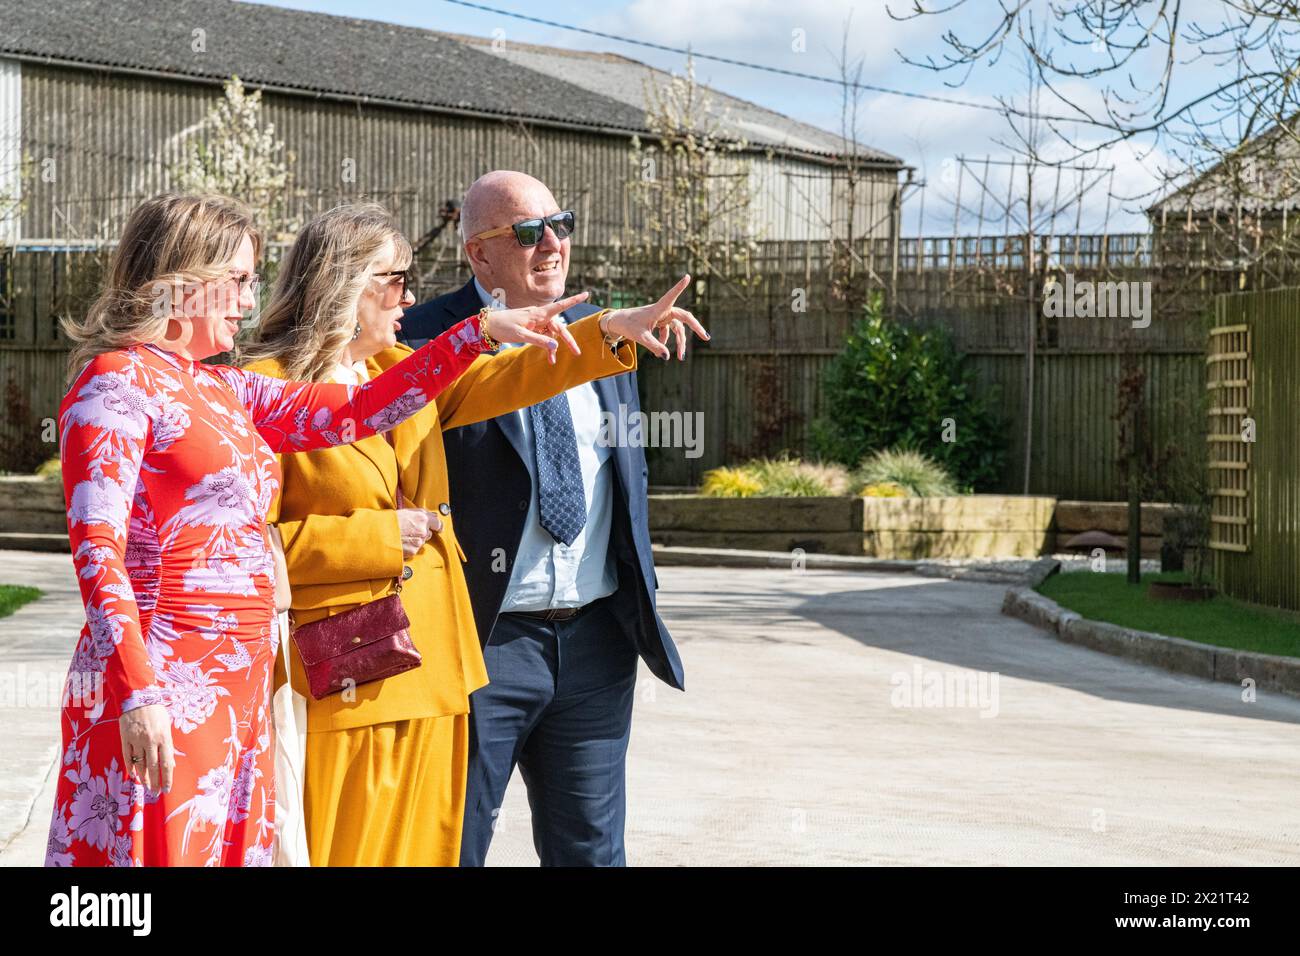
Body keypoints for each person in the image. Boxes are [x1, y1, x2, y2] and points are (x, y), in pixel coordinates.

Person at [45, 192, 578, 867]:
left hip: (241, 682)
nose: (250, 297)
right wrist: (135, 691)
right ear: (183, 282)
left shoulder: (222, 388)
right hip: (161, 681)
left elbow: (359, 409)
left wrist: (476, 335)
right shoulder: (114, 384)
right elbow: (98, 551)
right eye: (236, 280)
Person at [239, 202, 702, 865]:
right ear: (345, 284)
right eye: (395, 279)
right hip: (341, 680)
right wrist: (374, 537)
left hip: (434, 673)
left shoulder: (399, 372)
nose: (410, 295)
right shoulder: (264, 389)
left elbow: (515, 374)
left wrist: (613, 331)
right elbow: (244, 548)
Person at [399, 171, 701, 866]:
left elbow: (624, 479)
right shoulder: (419, 339)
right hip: (479, 642)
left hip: (595, 643)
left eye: (559, 224)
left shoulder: (609, 339)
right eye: (528, 233)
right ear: (479, 254)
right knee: (451, 849)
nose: (552, 244)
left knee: (592, 853)